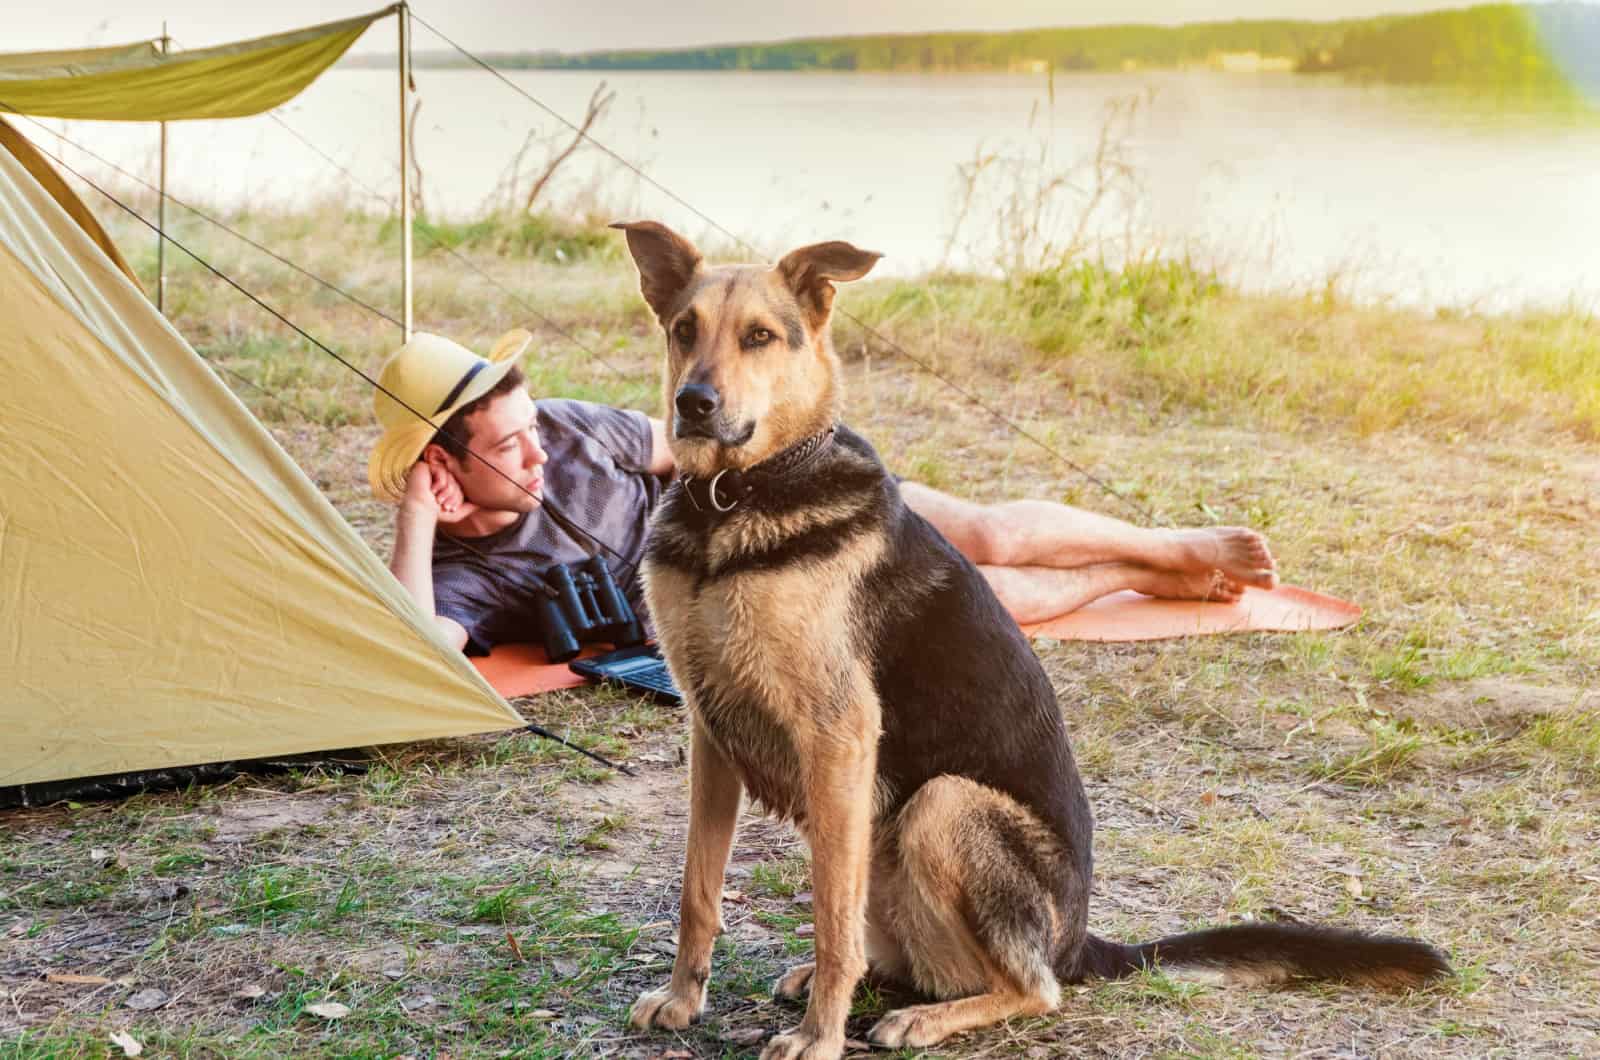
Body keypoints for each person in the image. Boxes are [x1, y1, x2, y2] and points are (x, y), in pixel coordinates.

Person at [369, 331, 1277, 656]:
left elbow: (691, 446)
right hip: (734, 592)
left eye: (535, 431)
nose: (540, 456)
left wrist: (791, 494)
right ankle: (1135, 576)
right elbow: (414, 659)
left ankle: (1164, 545)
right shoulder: (465, 573)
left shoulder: (566, 428)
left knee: (982, 532)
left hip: (749, 500)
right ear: (442, 469)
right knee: (968, 590)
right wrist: (415, 514)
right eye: (510, 448)